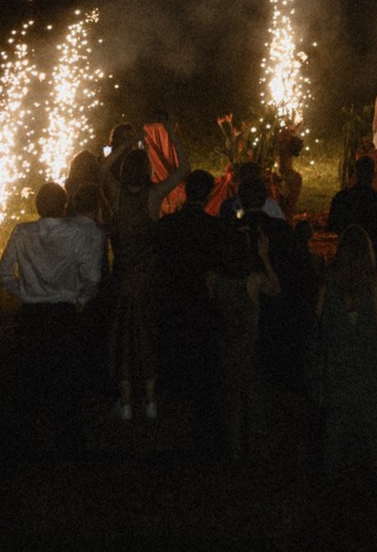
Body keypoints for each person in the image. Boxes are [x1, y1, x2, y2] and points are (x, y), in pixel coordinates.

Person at [0, 182, 107, 457]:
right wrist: (81, 299)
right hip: (63, 316)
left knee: (28, 385)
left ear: (37, 206)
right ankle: (69, 446)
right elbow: (92, 277)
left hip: (32, 318)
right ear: (65, 205)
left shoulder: (23, 232)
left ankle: (22, 446)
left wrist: (23, 292)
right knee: (67, 385)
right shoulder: (77, 234)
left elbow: (3, 273)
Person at [101, 125, 189, 421]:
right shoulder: (153, 197)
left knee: (123, 337)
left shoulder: (116, 196)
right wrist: (167, 133)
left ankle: (125, 403)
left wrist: (126, 145)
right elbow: (184, 169)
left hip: (123, 279)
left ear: (124, 172)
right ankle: (150, 401)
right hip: (149, 280)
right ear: (147, 170)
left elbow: (103, 169)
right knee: (148, 335)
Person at [312, 225, 377, 475]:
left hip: (339, 349)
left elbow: (318, 315)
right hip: (365, 349)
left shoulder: (329, 278)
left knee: (338, 409)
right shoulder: (371, 279)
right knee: (371, 407)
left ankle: (332, 465)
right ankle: (373, 463)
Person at [156, 169, 230, 425]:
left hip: (172, 297)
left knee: (175, 346)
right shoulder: (214, 228)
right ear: (209, 194)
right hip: (201, 299)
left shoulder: (167, 225)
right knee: (200, 350)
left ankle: (173, 403)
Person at [207, 223, 280, 460]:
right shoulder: (253, 280)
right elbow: (276, 289)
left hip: (225, 344)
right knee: (250, 398)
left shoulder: (213, 279)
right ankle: (253, 449)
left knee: (231, 399)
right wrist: (265, 257)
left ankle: (232, 450)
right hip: (248, 347)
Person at [237, 173, 313, 393]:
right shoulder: (281, 229)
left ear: (240, 200)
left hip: (246, 311)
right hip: (276, 311)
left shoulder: (231, 228)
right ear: (265, 199)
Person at [326, 156, 377, 275]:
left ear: (356, 173)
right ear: (373, 174)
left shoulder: (342, 198)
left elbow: (332, 225)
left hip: (347, 255)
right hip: (375, 256)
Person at [272, 130, 306, 217]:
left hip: (285, 172)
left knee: (296, 179)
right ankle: (287, 210)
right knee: (296, 179)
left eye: (288, 136)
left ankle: (288, 209)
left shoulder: (287, 145)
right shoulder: (280, 146)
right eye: (285, 136)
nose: (287, 137)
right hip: (282, 172)